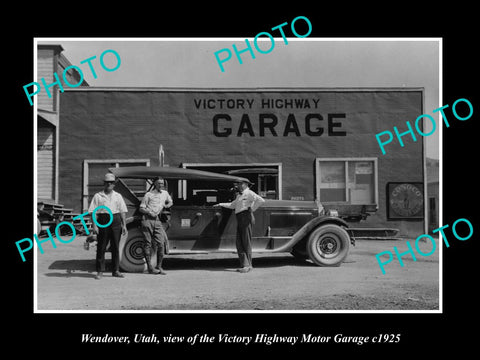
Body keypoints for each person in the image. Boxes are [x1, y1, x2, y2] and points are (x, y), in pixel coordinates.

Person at [214, 179, 265, 273]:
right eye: (238, 184)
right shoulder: (239, 195)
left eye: (240, 184)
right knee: (239, 242)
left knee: (245, 241)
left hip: (246, 217)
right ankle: (245, 264)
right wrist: (220, 204)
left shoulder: (249, 193)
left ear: (245, 184)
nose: (238, 186)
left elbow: (261, 200)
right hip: (240, 218)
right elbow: (232, 205)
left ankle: (248, 265)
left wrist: (251, 209)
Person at [88, 173, 128, 280]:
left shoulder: (118, 196)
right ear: (104, 184)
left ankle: (116, 270)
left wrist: (124, 225)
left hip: (115, 220)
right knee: (101, 246)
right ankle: (100, 271)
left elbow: (122, 211)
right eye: (107, 183)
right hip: (103, 220)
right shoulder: (98, 196)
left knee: (115, 246)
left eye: (111, 183)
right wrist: (95, 226)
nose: (109, 184)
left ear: (114, 184)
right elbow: (93, 212)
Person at [139, 177, 173, 275]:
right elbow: (141, 208)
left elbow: (170, 201)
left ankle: (159, 266)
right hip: (147, 219)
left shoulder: (165, 194)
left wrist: (167, 205)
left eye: (162, 184)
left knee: (161, 243)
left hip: (157, 220)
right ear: (155, 184)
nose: (161, 185)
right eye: (159, 183)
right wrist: (149, 212)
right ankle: (150, 267)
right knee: (147, 243)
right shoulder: (149, 194)